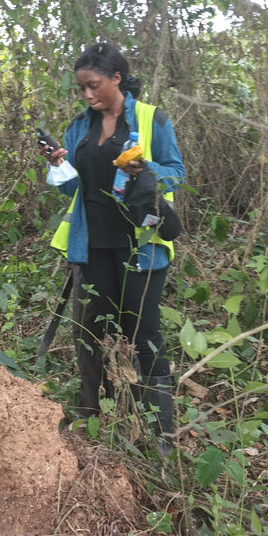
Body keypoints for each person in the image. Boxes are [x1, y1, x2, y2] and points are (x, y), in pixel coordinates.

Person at [41, 42, 185, 453]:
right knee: (91, 333)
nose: (88, 95)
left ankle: (162, 437)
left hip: (141, 245)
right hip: (92, 245)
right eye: (82, 88)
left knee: (145, 335)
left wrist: (145, 169)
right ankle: (94, 420)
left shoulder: (150, 118)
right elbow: (74, 190)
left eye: (95, 85)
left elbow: (176, 172)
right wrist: (57, 165)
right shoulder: (78, 128)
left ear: (117, 79)